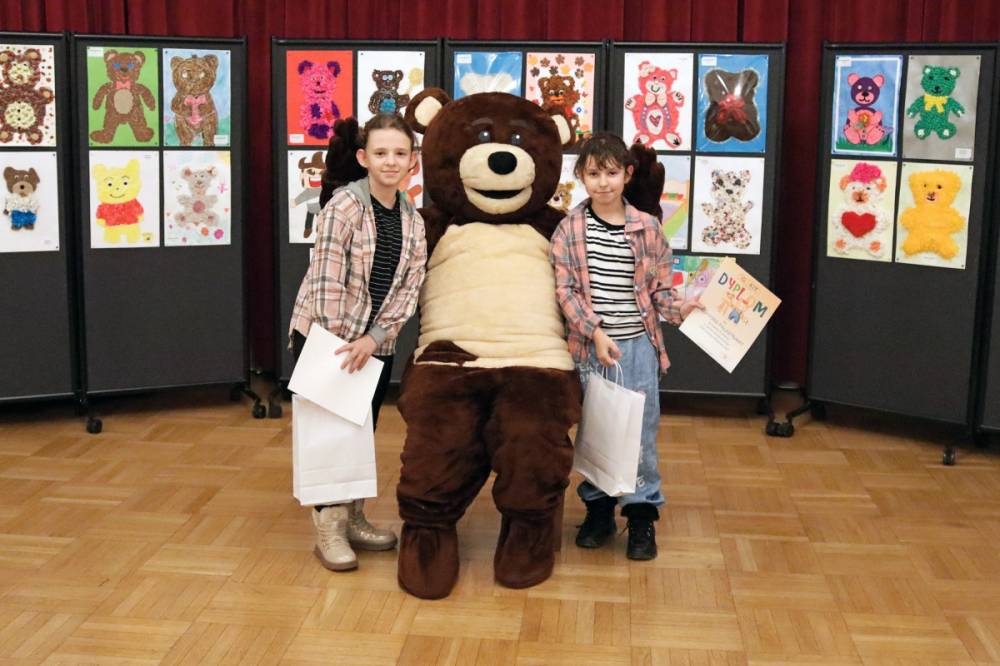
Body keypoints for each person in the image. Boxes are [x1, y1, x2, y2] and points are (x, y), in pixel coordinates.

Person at [549, 132, 701, 560]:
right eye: (593, 174)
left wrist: (681, 308)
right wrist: (595, 333)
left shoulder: (648, 228)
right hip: (589, 349)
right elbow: (565, 292)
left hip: (638, 348)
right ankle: (598, 511)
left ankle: (640, 516)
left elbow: (659, 291)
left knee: (639, 435)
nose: (603, 183)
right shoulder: (569, 229)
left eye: (611, 173)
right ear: (581, 177)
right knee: (597, 432)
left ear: (628, 174)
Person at [288, 113, 427, 572]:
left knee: (359, 429)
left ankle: (353, 517)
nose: (391, 161)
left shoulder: (412, 219)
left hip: (374, 344)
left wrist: (374, 338)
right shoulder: (344, 206)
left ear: (413, 161)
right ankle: (328, 529)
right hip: (327, 339)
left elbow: (409, 287)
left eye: (400, 153)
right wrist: (344, 343)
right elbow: (326, 278)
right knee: (330, 434)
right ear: (364, 158)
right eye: (381, 153)